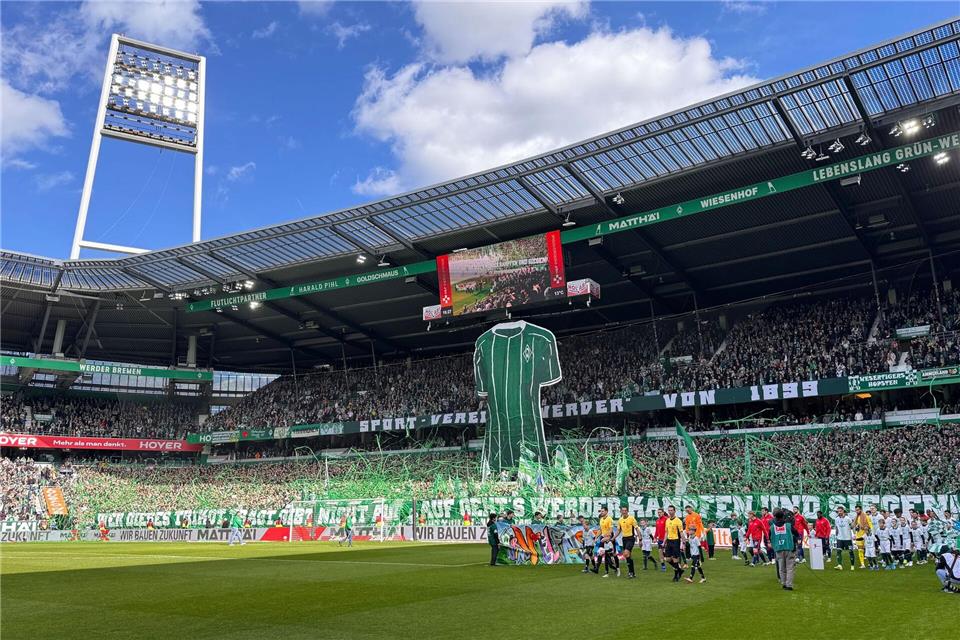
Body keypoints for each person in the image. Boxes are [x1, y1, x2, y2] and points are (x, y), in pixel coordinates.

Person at [770, 508, 797, 591]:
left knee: (781, 567)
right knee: (790, 567)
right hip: (789, 547)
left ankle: (784, 583)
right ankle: (789, 584)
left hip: (778, 548)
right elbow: (796, 533)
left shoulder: (772, 527)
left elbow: (769, 537)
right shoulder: (788, 525)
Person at [663, 505, 685, 583]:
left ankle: (676, 576)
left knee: (675, 559)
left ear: (675, 511)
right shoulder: (667, 520)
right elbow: (666, 532)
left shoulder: (678, 521)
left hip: (676, 541)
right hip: (669, 541)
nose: (670, 512)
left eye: (671, 510)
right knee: (667, 559)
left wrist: (684, 542)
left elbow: (681, 532)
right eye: (669, 510)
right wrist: (664, 542)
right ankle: (680, 570)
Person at [597, 506, 619, 576]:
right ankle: (605, 572)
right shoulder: (601, 519)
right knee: (603, 554)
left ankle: (616, 568)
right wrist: (596, 537)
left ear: (606, 511)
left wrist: (607, 537)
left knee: (613, 555)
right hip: (604, 538)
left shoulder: (609, 519)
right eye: (601, 511)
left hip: (609, 539)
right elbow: (601, 530)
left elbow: (611, 530)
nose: (601, 512)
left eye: (602, 511)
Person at [617, 506, 638, 578]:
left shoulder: (631, 518)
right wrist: (613, 538)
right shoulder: (620, 520)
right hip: (624, 539)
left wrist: (640, 538)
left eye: (625, 510)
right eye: (623, 510)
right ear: (621, 511)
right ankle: (633, 573)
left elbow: (637, 528)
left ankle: (630, 572)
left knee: (625, 554)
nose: (624, 512)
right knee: (628, 556)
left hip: (631, 538)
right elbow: (618, 530)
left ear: (627, 511)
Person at [834, 506, 854, 571]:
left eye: (840, 511)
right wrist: (836, 535)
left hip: (848, 538)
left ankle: (852, 565)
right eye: (838, 511)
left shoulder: (848, 518)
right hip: (840, 538)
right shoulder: (836, 519)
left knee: (850, 552)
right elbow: (836, 528)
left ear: (843, 511)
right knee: (838, 551)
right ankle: (839, 565)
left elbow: (852, 526)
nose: (839, 512)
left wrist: (854, 533)